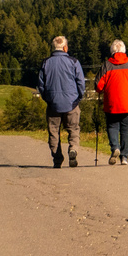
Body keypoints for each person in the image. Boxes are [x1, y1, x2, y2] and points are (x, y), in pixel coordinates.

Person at [37, 35, 85, 168]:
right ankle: (73, 149)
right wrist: (79, 98)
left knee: (53, 132)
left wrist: (47, 98)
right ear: (65, 47)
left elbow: (41, 85)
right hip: (71, 102)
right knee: (73, 129)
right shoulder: (73, 62)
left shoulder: (46, 63)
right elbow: (81, 82)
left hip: (53, 103)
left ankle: (57, 159)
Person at [95, 39, 128, 165]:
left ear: (112, 52)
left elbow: (98, 86)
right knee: (126, 129)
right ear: (124, 51)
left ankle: (115, 148)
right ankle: (124, 157)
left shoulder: (106, 66)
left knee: (112, 126)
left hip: (111, 104)